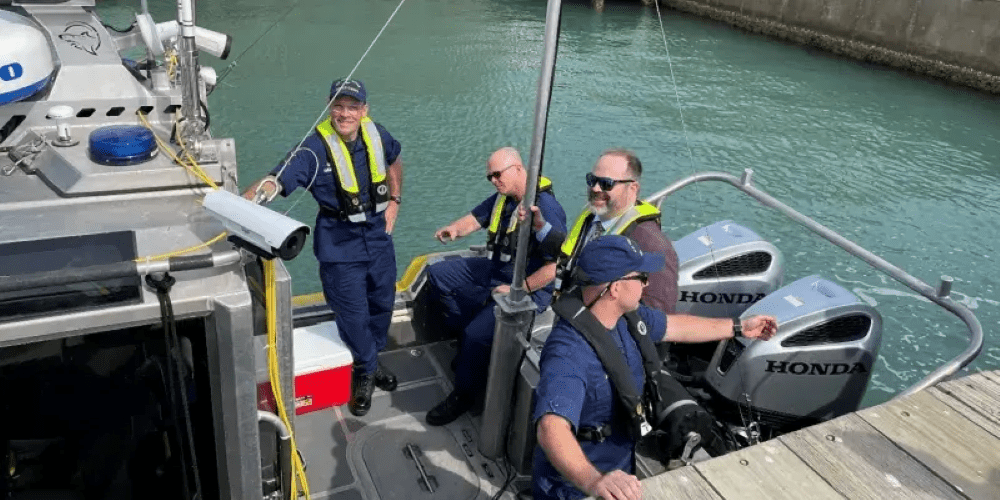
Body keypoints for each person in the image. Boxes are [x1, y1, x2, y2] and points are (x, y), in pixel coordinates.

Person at [532, 235, 777, 500]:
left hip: (621, 467)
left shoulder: (626, 317)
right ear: (615, 288)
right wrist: (596, 482)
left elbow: (675, 327)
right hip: (576, 487)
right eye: (641, 277)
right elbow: (551, 428)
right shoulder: (569, 354)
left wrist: (739, 327)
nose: (647, 284)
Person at [242, 78, 402, 417]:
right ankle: (365, 371)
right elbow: (279, 178)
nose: (345, 114)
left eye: (352, 107)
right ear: (329, 106)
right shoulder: (313, 150)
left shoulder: (377, 134)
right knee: (353, 315)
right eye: (339, 106)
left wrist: (395, 201)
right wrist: (249, 201)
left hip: (378, 239)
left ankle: (370, 360)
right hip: (340, 247)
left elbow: (395, 160)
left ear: (364, 110)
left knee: (383, 305)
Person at [424, 147, 567, 426]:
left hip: (525, 288)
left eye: (497, 174)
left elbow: (554, 267)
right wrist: (454, 229)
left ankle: (464, 394)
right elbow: (476, 218)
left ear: (518, 169)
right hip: (494, 271)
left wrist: (521, 288)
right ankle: (467, 341)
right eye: (489, 176)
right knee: (439, 274)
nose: (493, 180)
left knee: (476, 334)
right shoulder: (504, 197)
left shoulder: (545, 208)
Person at [524, 148, 678, 314]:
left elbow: (659, 312)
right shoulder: (591, 218)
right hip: (569, 317)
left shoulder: (650, 241)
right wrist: (541, 227)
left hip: (600, 334)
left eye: (606, 183)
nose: (596, 188)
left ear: (632, 188)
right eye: (592, 180)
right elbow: (571, 255)